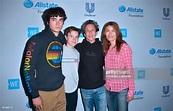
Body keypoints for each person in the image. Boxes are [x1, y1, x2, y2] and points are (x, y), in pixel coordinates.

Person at [20, 7, 67, 111]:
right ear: (47, 22)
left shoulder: (61, 38)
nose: (58, 23)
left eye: (61, 19)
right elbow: (27, 69)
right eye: (54, 19)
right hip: (44, 93)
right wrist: (34, 95)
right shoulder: (36, 40)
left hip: (60, 89)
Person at [101, 21, 135, 111]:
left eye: (113, 30)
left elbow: (129, 69)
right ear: (104, 33)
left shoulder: (124, 47)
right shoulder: (106, 48)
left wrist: (131, 91)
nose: (110, 33)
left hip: (121, 90)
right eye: (107, 30)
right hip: (108, 88)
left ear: (117, 32)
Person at [75, 19, 106, 111]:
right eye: (87, 30)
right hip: (85, 88)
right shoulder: (78, 47)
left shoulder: (103, 47)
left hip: (101, 88)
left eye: (92, 30)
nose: (90, 32)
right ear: (84, 33)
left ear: (96, 32)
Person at [62, 26, 81, 111]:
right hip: (60, 90)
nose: (74, 39)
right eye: (71, 36)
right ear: (66, 37)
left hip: (73, 89)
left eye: (76, 37)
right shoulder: (59, 50)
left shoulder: (77, 53)